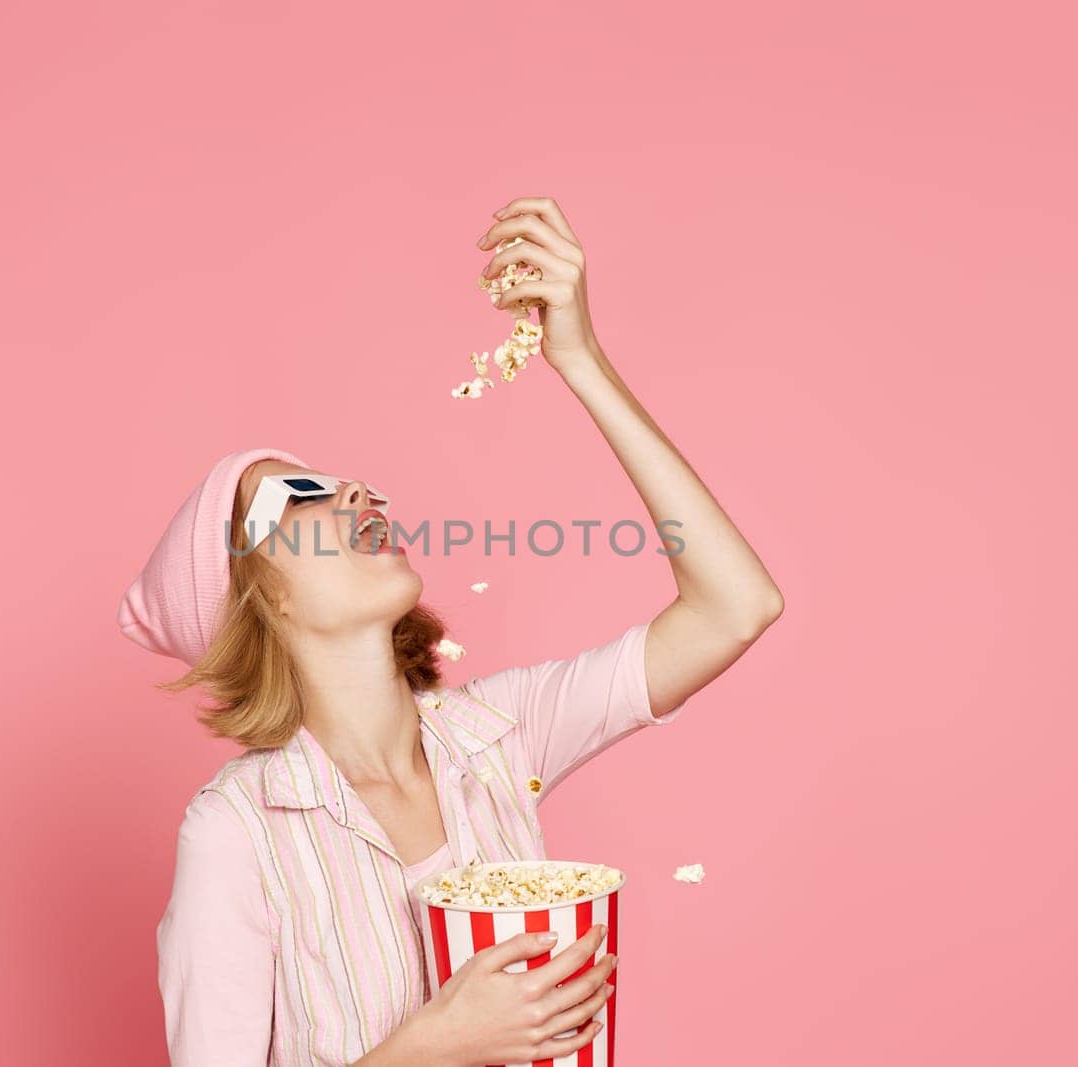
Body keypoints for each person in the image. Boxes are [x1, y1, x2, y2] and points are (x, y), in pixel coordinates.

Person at [117, 197, 785, 1066]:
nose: (355, 493)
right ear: (260, 599)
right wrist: (437, 1045)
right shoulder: (239, 832)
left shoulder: (498, 739)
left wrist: (578, 358)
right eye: (297, 497)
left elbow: (737, 606)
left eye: (347, 481)